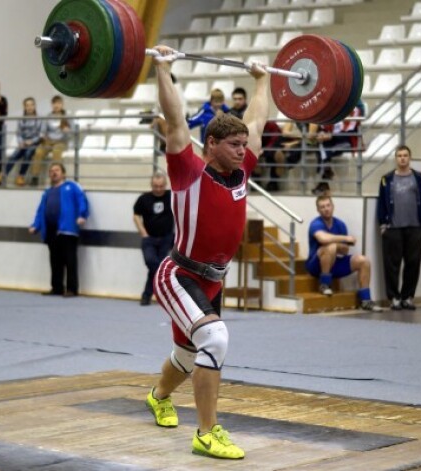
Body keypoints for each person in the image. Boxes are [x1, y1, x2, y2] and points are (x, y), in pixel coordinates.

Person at [145, 44, 268, 460]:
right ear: (211, 143)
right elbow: (176, 119)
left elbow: (258, 118)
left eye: (243, 145)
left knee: (186, 353)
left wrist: (263, 79)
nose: (241, 150)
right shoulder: (187, 171)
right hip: (178, 275)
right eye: (233, 144)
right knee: (215, 338)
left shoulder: (242, 170)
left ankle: (159, 396)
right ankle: (206, 432)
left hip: (212, 281)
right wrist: (162, 68)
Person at [305, 195, 383, 311]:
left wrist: (336, 244)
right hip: (315, 265)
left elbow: (345, 250)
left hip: (335, 263)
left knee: (363, 261)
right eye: (322, 207)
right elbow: (323, 239)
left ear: (332, 206)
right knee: (330, 247)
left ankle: (366, 301)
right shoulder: (316, 224)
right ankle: (325, 284)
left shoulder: (340, 224)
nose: (326, 209)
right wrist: (344, 239)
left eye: (328, 205)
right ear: (318, 210)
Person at [377, 145, 421, 310]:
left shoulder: (419, 178)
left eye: (405, 155)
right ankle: (394, 298)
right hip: (393, 228)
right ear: (395, 158)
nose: (402, 158)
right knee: (392, 265)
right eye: (399, 155)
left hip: (415, 228)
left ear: (410, 157)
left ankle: (408, 297)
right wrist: (383, 224)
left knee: (413, 263)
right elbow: (381, 203)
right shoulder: (386, 179)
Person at [29, 163, 89, 297]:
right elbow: (41, 211)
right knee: (55, 260)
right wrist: (35, 225)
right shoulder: (47, 192)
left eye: (56, 170)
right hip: (51, 229)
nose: (53, 173)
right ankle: (57, 287)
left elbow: (82, 200)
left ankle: (72, 289)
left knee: (70, 260)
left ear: (63, 173)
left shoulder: (72, 187)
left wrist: (82, 215)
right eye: (51, 171)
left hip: (67, 229)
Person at [133, 173, 175, 306]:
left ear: (165, 185)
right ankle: (164, 292)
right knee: (152, 262)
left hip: (166, 238)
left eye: (161, 186)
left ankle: (146, 296)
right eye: (156, 186)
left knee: (160, 266)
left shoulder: (171, 196)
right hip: (149, 238)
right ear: (151, 185)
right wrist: (143, 232)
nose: (158, 189)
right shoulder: (143, 199)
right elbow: (136, 216)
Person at [29, 95, 71, 187]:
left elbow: (72, 131)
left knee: (56, 151)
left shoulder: (66, 117)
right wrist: (43, 136)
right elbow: (43, 131)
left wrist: (67, 131)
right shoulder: (48, 116)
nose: (56, 105)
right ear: (52, 105)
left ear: (62, 105)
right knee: (39, 151)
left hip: (61, 141)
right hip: (48, 141)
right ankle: (35, 177)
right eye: (54, 103)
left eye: (59, 103)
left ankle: (58, 178)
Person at [4, 97, 41, 187]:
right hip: (23, 143)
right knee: (15, 155)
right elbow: (19, 133)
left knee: (28, 154)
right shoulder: (21, 119)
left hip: (34, 143)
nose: (29, 107)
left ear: (34, 106)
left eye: (31, 105)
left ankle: (21, 176)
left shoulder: (39, 119)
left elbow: (40, 134)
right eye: (27, 105)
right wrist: (21, 142)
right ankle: (3, 175)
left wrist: (31, 141)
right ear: (24, 107)